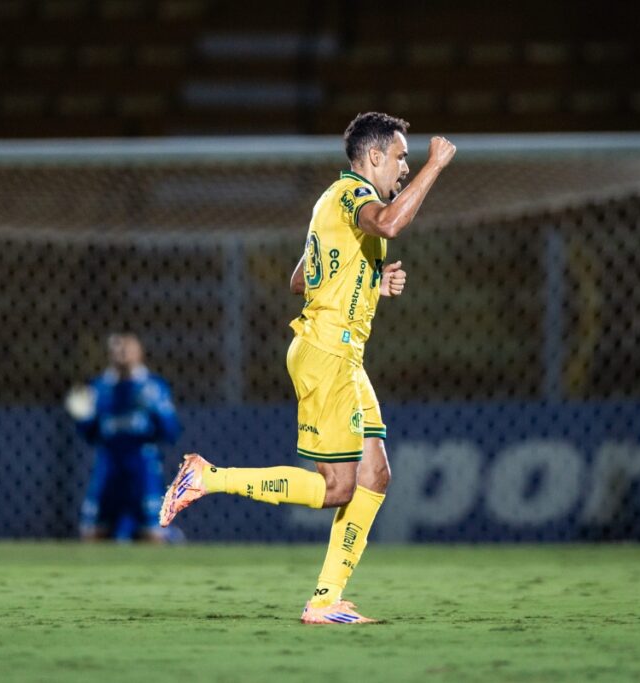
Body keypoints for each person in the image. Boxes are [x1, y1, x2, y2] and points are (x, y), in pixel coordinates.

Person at [160, 112, 456, 622]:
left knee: (376, 474)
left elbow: (302, 278)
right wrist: (436, 166)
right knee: (339, 487)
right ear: (374, 157)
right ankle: (208, 478)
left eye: (412, 159)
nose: (406, 167)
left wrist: (368, 280)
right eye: (402, 157)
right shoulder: (355, 197)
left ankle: (326, 601)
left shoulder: (331, 201)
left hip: (343, 354)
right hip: (327, 352)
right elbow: (388, 223)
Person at [66, 332, 181, 543]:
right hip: (109, 465)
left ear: (139, 352)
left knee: (152, 533)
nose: (122, 353)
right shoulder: (98, 388)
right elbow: (90, 434)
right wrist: (82, 416)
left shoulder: (153, 387)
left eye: (127, 347)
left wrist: (157, 409)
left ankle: (169, 542)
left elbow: (171, 432)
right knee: (93, 533)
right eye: (117, 348)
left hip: (142, 467)